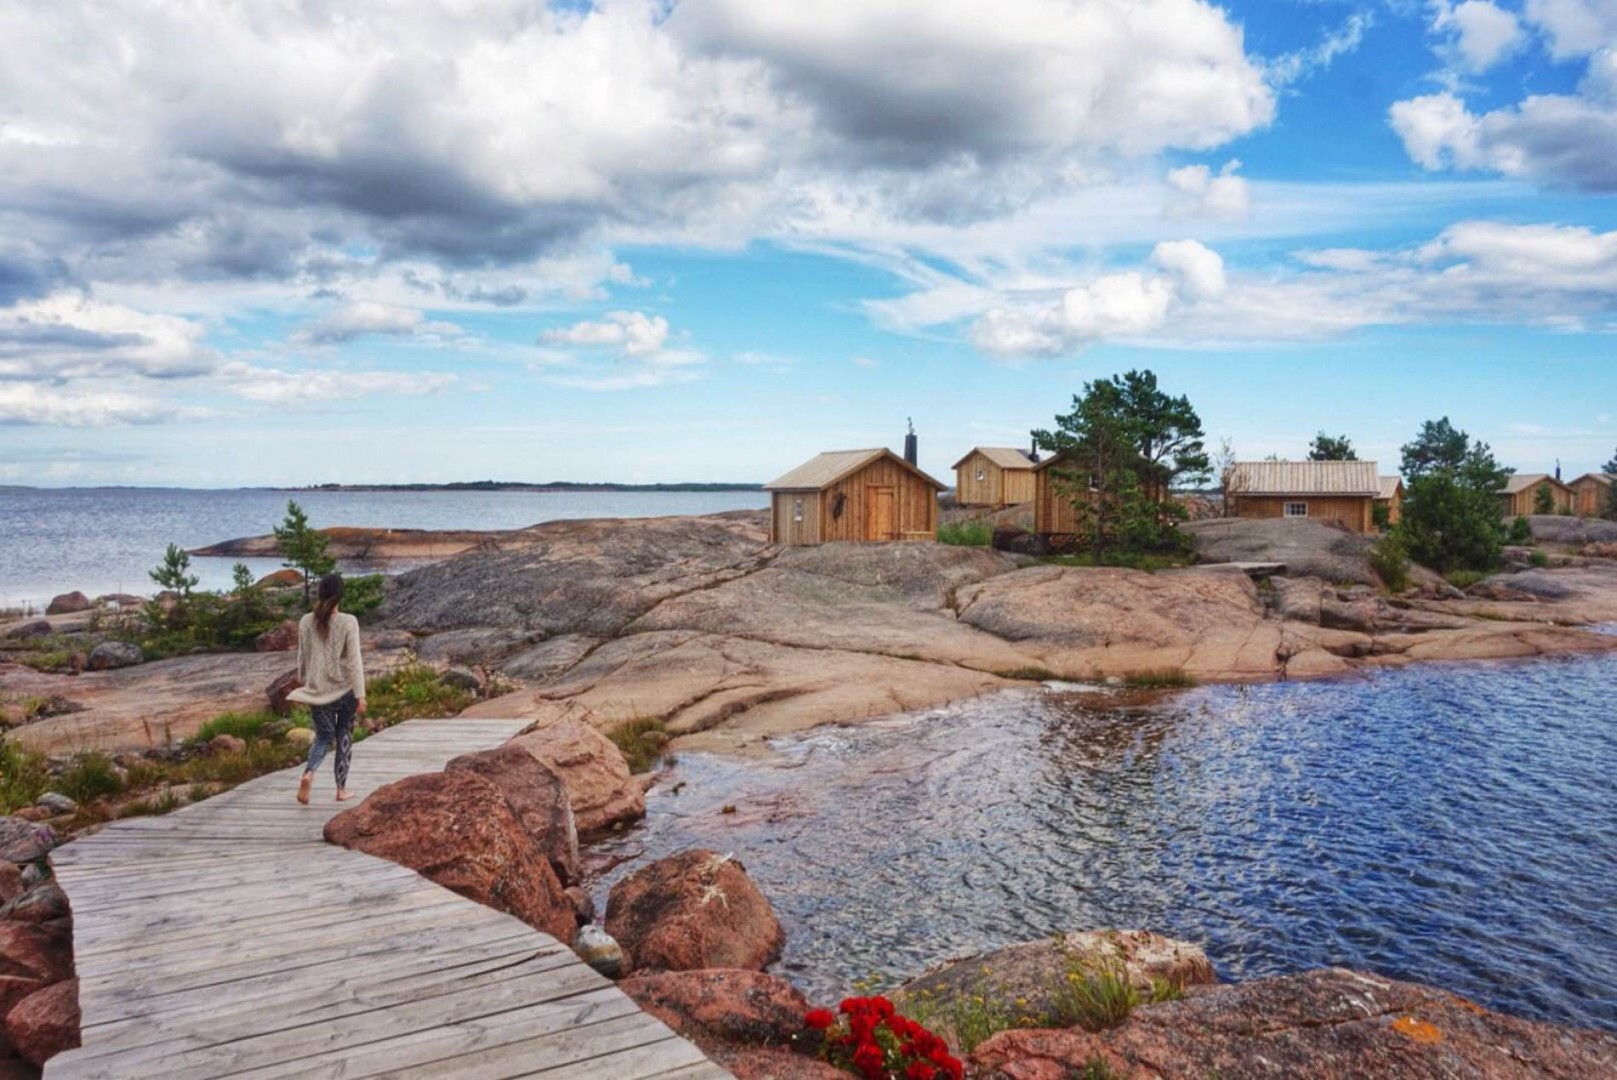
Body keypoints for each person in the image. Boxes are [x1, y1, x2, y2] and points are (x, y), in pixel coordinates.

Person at [289, 573, 367, 804]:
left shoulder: (305, 621)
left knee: (323, 736)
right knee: (344, 736)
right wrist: (360, 694)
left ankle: (309, 773)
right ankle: (341, 790)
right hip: (344, 690)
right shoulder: (348, 621)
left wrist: (305, 680)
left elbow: (302, 656)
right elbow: (354, 661)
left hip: (317, 691)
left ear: (320, 593)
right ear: (340, 595)